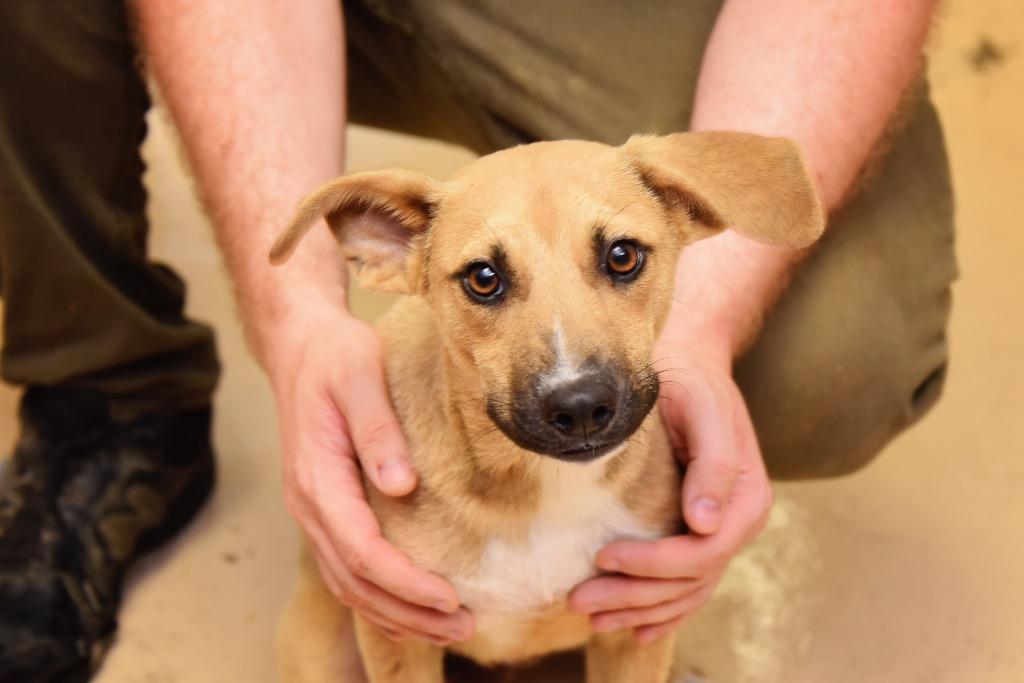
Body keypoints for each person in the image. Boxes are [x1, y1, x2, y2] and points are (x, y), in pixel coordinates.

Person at [0, 0, 955, 679]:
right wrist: (296, 327)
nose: (574, 376)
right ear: (389, 247)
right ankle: (111, 404)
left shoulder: (649, 398)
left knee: (840, 352)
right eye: (487, 281)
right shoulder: (409, 454)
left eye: (621, 258)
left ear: (686, 219)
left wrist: (705, 335)